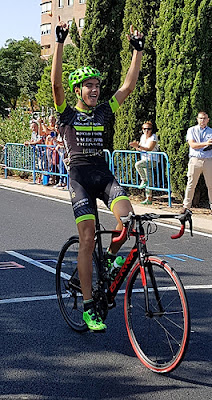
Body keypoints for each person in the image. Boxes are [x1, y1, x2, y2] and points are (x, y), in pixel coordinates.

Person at [51, 20, 144, 331]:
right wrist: (60, 43)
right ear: (79, 90)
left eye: (97, 85)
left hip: (102, 174)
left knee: (128, 221)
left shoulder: (104, 110)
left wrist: (137, 50)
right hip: (79, 177)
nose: (95, 90)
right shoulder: (67, 112)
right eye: (89, 86)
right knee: (87, 238)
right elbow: (56, 86)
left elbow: (128, 86)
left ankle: (111, 258)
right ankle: (90, 307)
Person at [181, 111, 212, 213]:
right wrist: (205, 143)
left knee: (211, 185)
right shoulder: (191, 130)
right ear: (197, 119)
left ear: (208, 120)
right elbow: (193, 145)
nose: (202, 120)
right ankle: (186, 206)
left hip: (208, 160)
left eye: (204, 118)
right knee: (191, 184)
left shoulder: (211, 131)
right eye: (200, 118)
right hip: (195, 160)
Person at [129, 121, 158, 204]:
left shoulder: (153, 137)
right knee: (149, 179)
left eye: (148, 129)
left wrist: (138, 146)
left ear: (151, 130)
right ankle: (149, 199)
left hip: (152, 160)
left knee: (137, 165)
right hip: (144, 159)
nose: (146, 131)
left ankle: (143, 180)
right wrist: (135, 146)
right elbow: (141, 148)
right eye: (144, 129)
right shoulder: (142, 137)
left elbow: (149, 148)